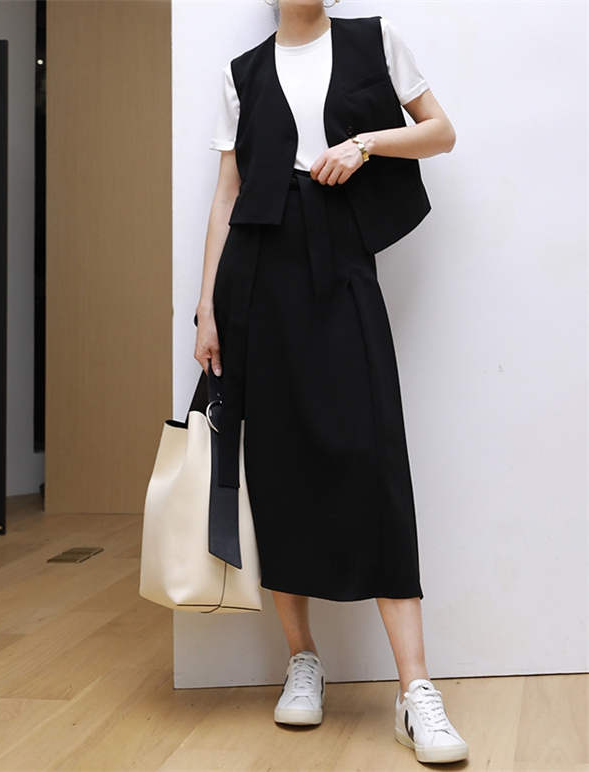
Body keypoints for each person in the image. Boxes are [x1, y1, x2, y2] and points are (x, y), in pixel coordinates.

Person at [193, 1, 466, 764]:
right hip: (258, 279)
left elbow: (441, 132)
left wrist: (367, 143)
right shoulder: (242, 72)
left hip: (342, 264)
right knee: (277, 465)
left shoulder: (374, 40)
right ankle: (302, 660)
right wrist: (207, 307)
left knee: (374, 460)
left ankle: (415, 690)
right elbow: (227, 194)